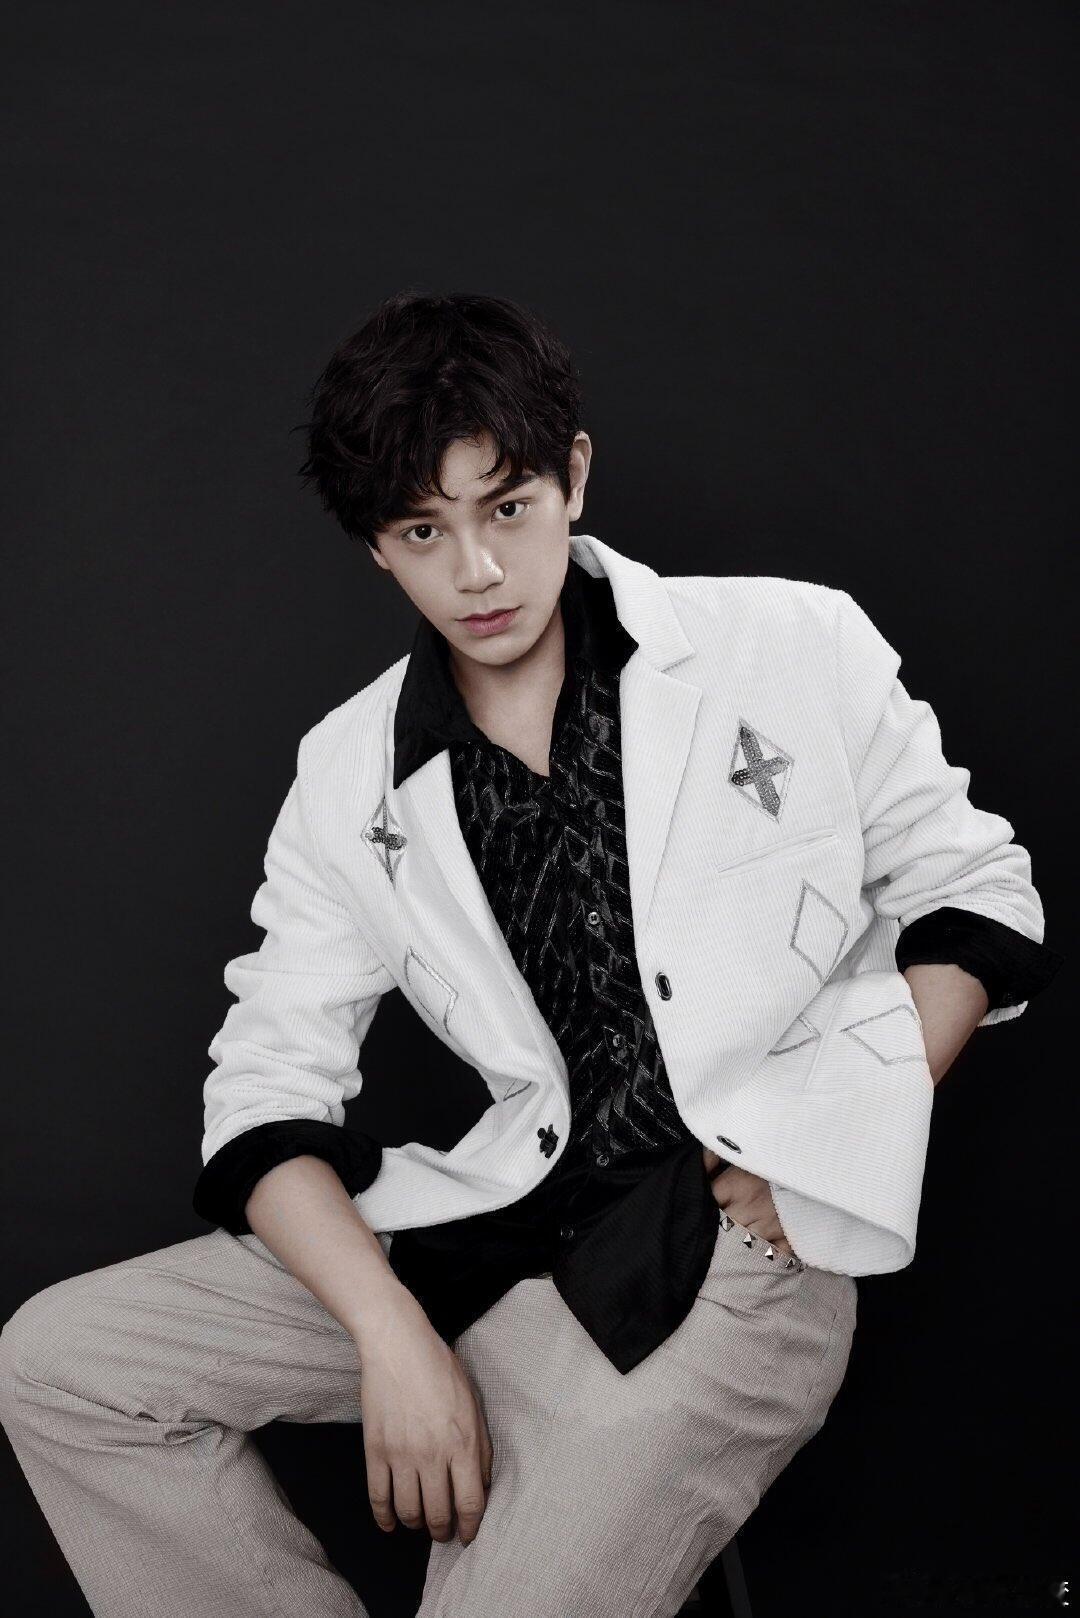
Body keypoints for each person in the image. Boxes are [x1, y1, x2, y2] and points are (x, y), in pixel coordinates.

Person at [0, 291, 1062, 1618]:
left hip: (723, 1267)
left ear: (574, 475)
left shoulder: (789, 643)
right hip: (484, 1235)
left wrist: (835, 1125)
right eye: (422, 531)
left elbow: (976, 896)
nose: (477, 571)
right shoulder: (347, 770)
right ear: (378, 548)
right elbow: (264, 1093)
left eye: (507, 507)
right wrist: (392, 1336)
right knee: (61, 1362)